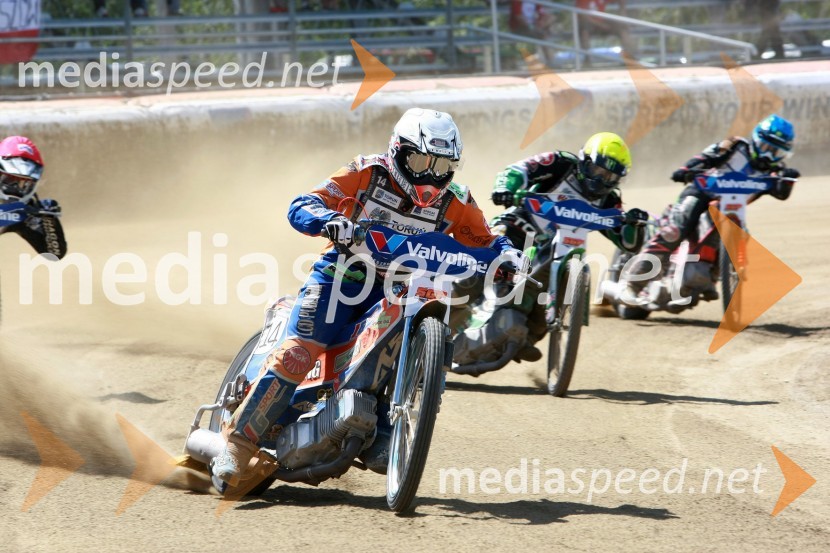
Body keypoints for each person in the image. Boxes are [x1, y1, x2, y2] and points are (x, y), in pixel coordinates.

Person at [210, 108, 528, 486]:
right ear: (398, 152)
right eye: (421, 160)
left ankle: (383, 430)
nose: (430, 174)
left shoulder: (457, 199)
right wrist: (326, 220)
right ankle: (237, 444)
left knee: (410, 345)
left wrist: (508, 255)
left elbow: (486, 239)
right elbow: (304, 204)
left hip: (404, 288)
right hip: (341, 277)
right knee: (300, 350)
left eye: (442, 166)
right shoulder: (365, 171)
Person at [490, 132, 648, 360]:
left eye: (611, 177)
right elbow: (520, 169)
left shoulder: (609, 200)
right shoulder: (561, 162)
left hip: (558, 249)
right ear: (585, 161)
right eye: (599, 172)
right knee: (495, 245)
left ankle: (523, 336)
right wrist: (506, 188)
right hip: (519, 226)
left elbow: (626, 241)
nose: (602, 181)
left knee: (559, 289)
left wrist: (635, 224)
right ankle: (463, 299)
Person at [624, 114, 799, 299]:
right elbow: (705, 157)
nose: (768, 156)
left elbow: (782, 193)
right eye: (766, 148)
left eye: (776, 152)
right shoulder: (735, 146)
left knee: (742, 236)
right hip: (701, 194)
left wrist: (788, 180)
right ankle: (633, 282)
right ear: (756, 139)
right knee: (676, 230)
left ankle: (709, 277)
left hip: (730, 209)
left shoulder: (775, 171)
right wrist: (686, 170)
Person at [0, 136, 66, 259]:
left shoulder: (27, 208)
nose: (16, 187)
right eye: (10, 179)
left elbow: (54, 254)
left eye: (24, 182)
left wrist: (49, 222)